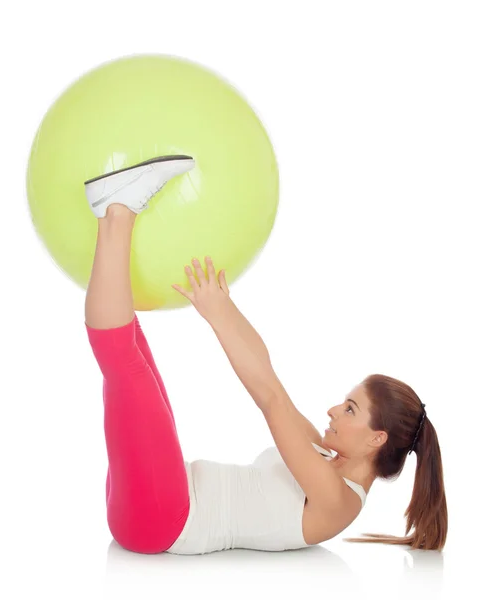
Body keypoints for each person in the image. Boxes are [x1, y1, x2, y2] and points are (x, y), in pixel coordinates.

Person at [83, 156, 448, 555]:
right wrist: (222, 307)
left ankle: (116, 212)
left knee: (124, 362)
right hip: (158, 496)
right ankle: (110, 215)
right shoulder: (325, 454)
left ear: (377, 438)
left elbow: (269, 400)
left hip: (164, 517)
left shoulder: (339, 502)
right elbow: (270, 376)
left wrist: (219, 318)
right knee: (133, 345)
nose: (332, 411)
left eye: (349, 410)